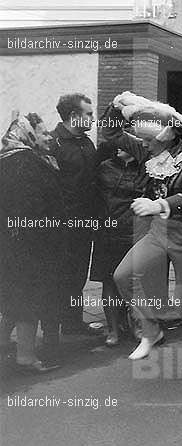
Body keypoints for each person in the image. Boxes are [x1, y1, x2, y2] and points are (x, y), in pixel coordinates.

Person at [111, 91, 182, 372]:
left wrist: (157, 204)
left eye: (148, 140)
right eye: (143, 140)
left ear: (167, 136)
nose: (143, 146)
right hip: (158, 233)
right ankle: (151, 330)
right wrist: (121, 105)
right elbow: (112, 133)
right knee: (122, 276)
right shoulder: (149, 151)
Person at [0, 113, 65, 373]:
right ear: (29, 135)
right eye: (43, 132)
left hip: (10, 241)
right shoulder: (26, 162)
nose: (49, 136)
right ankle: (26, 357)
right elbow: (32, 207)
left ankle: (5, 345)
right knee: (28, 296)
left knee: (11, 295)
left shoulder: (6, 158)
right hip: (29, 243)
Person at [48, 93, 105, 338]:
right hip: (62, 225)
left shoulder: (86, 142)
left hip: (85, 222)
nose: (92, 119)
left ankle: (71, 323)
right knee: (60, 274)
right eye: (89, 114)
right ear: (74, 115)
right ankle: (52, 328)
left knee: (79, 273)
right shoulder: (53, 143)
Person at [92, 127, 150, 346]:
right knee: (109, 281)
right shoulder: (103, 168)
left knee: (134, 281)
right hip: (107, 233)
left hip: (134, 232)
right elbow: (94, 197)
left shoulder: (144, 169)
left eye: (125, 145)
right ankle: (113, 329)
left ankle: (135, 323)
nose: (119, 148)